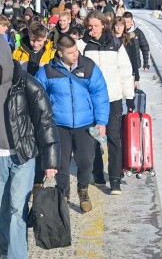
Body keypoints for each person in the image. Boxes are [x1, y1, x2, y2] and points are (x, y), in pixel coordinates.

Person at [0, 35, 60, 259]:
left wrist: (50, 161)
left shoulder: (28, 84)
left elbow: (45, 121)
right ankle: (6, 250)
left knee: (16, 210)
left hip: (22, 156)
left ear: (1, 58)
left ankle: (16, 255)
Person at [35, 35, 109, 212]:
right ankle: (63, 195)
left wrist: (101, 121)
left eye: (76, 50)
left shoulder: (88, 66)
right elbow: (37, 96)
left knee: (86, 161)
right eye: (70, 52)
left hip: (85, 124)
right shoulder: (47, 71)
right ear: (60, 53)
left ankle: (83, 189)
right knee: (62, 164)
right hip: (59, 125)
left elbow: (100, 94)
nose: (75, 55)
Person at [77, 12, 134, 194]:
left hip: (112, 99)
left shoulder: (116, 45)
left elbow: (125, 71)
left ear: (103, 25)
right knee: (94, 138)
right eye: (89, 26)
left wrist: (129, 96)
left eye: (95, 26)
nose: (91, 29)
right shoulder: (82, 45)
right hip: (90, 101)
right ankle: (98, 173)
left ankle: (115, 179)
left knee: (114, 138)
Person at [123, 12, 151, 85]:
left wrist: (146, 63)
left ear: (132, 21)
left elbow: (145, 48)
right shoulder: (119, 32)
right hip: (121, 65)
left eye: (128, 22)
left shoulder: (138, 32)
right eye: (124, 22)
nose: (126, 24)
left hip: (134, 65)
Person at [112, 16, 139, 91]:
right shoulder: (109, 39)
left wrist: (136, 78)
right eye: (117, 25)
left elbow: (134, 58)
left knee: (128, 97)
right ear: (113, 26)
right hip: (113, 73)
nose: (119, 28)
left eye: (121, 25)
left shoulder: (129, 40)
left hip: (127, 73)